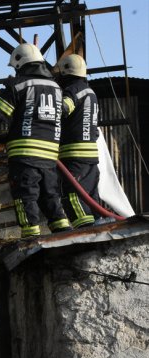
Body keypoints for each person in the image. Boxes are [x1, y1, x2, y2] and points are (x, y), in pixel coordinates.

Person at [0, 43, 71, 238]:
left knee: (26, 196)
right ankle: (63, 233)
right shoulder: (56, 88)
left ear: (20, 64)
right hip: (49, 154)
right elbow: (35, 119)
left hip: (24, 155)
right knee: (50, 195)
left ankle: (31, 238)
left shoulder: (20, 85)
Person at [55, 54, 101, 228]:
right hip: (90, 154)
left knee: (72, 193)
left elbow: (63, 108)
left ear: (66, 72)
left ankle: (84, 230)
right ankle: (98, 225)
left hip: (74, 154)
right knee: (89, 195)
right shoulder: (91, 93)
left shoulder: (73, 90)